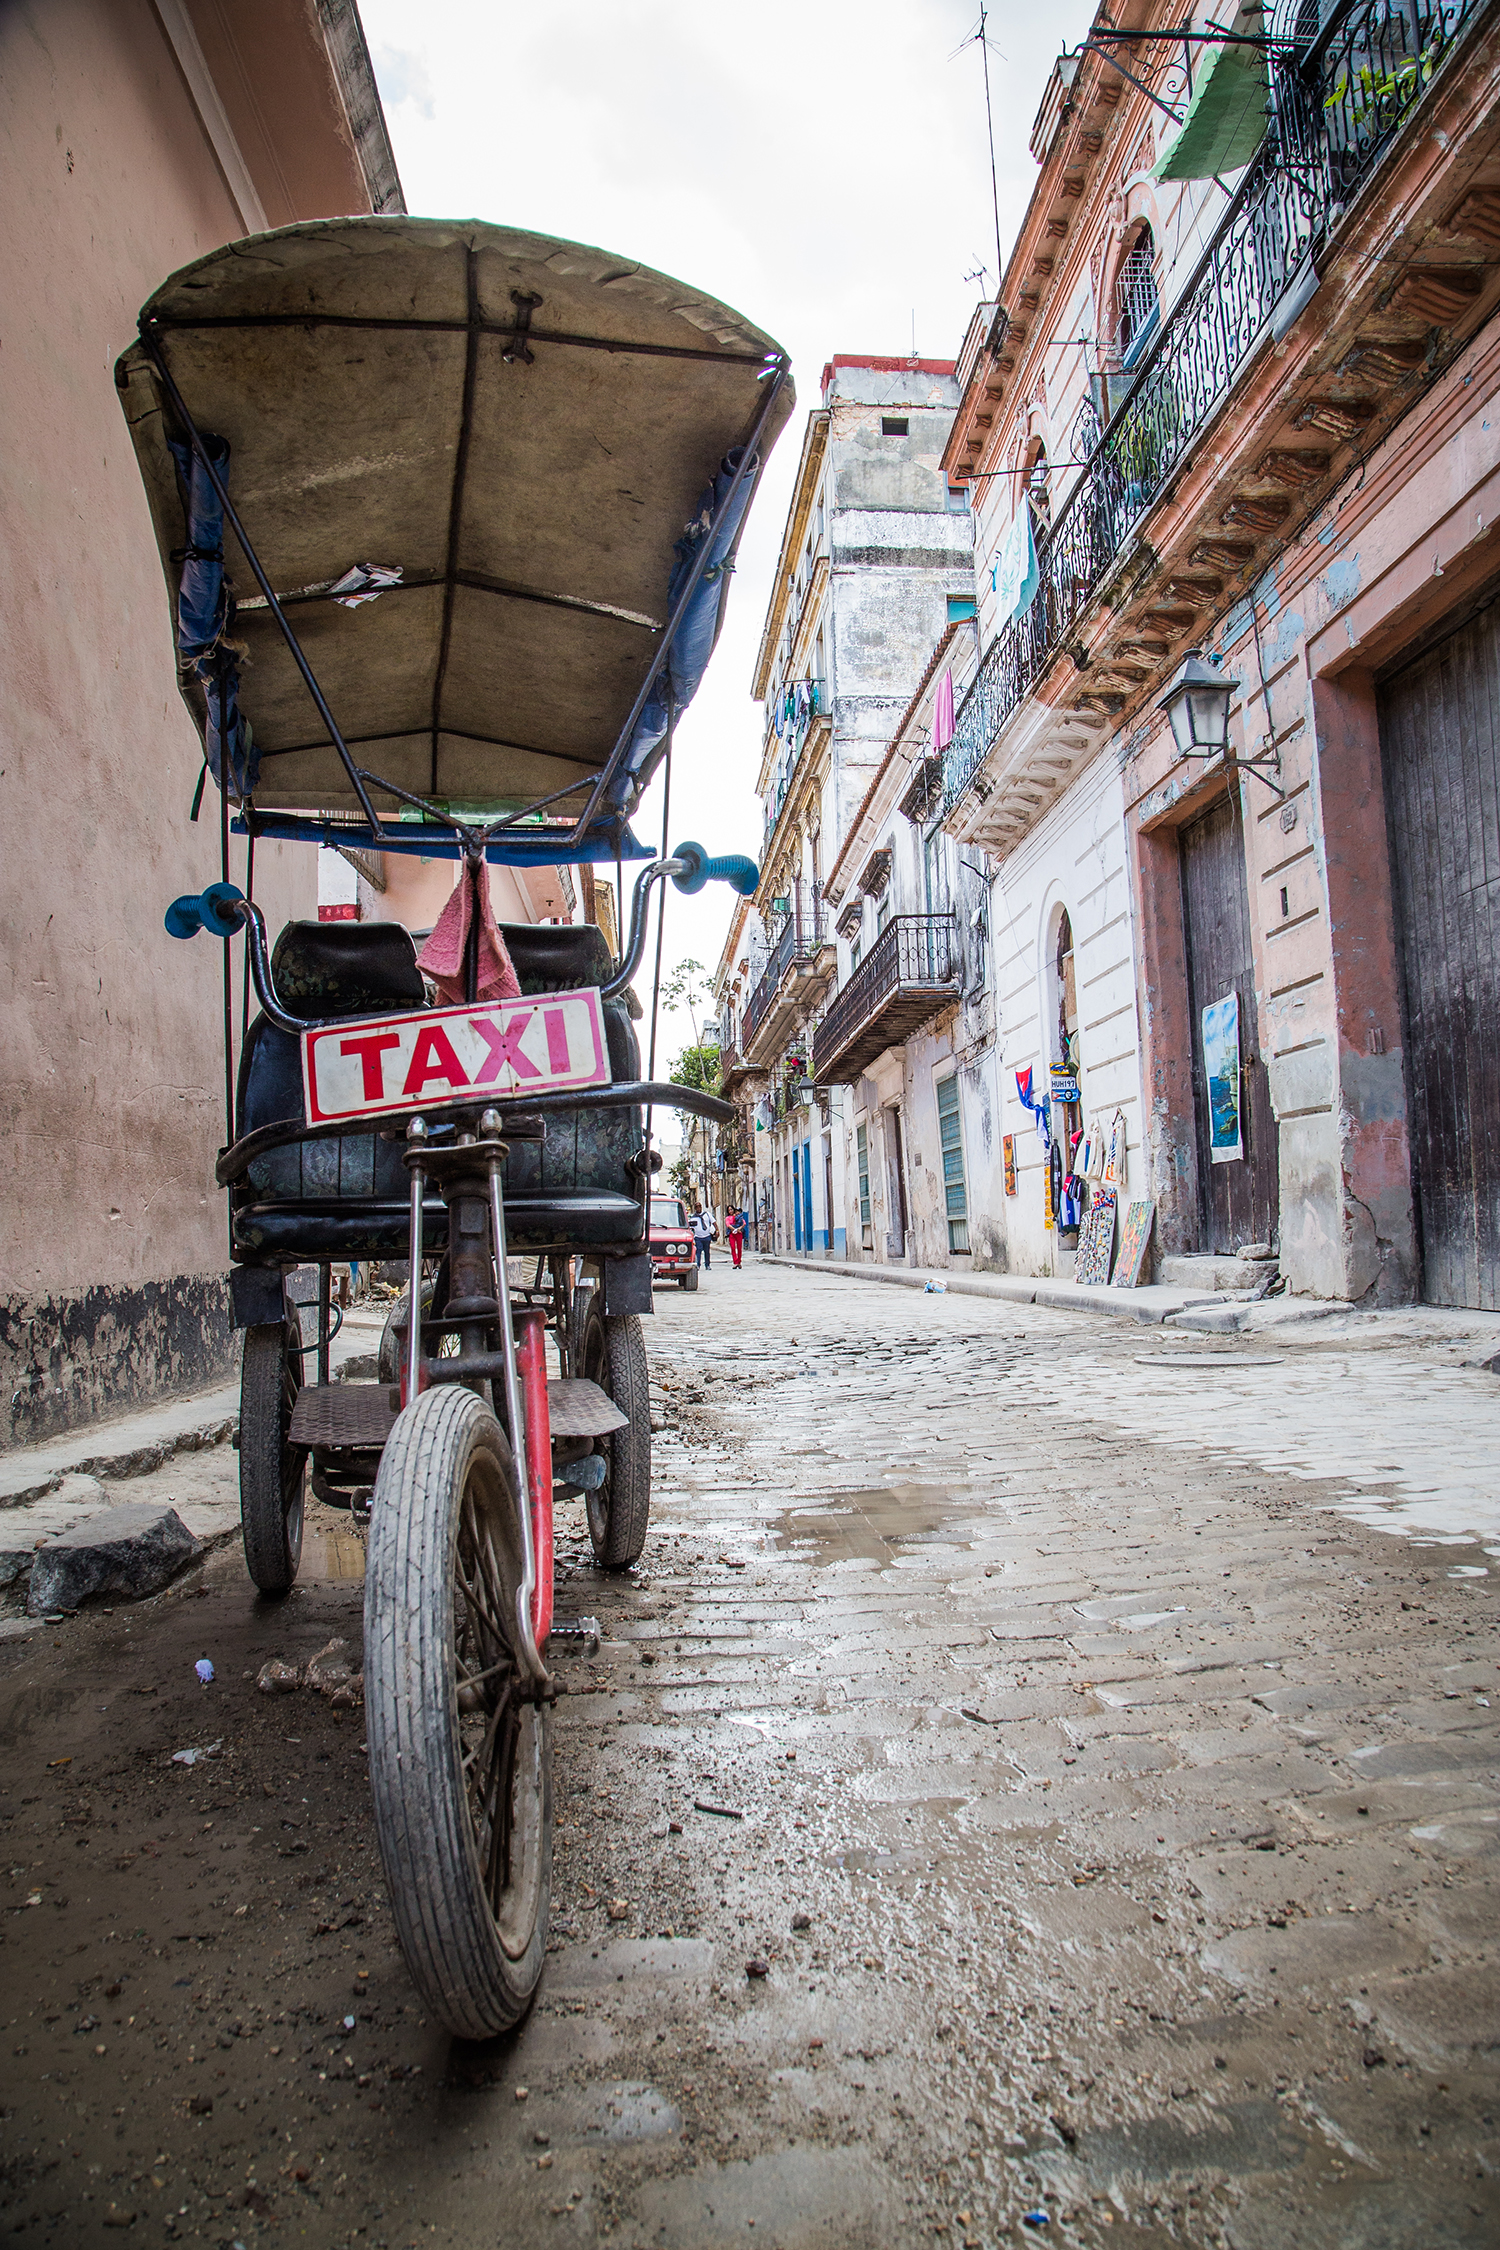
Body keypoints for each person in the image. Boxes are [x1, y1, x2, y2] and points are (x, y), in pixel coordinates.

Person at [688, 1204, 715, 1272]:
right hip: (698, 1237)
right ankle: (698, 1265)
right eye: (696, 1207)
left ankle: (707, 1264)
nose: (698, 1208)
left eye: (699, 1206)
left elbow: (714, 1222)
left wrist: (716, 1231)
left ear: (701, 1207)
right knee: (698, 1251)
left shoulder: (707, 1214)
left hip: (707, 1236)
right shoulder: (693, 1218)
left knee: (707, 1251)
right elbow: (691, 1228)